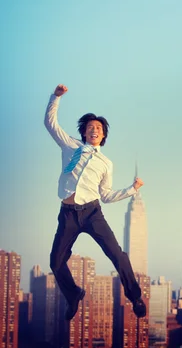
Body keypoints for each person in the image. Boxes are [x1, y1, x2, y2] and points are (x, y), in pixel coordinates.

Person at [44, 84, 146, 320]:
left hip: (92, 213)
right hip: (68, 213)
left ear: (103, 135)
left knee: (117, 254)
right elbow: (51, 124)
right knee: (55, 261)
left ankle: (135, 297)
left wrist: (132, 190)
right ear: (84, 132)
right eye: (90, 127)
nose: (94, 130)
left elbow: (107, 195)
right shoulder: (70, 145)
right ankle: (74, 295)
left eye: (98, 128)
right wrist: (56, 97)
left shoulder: (106, 163)